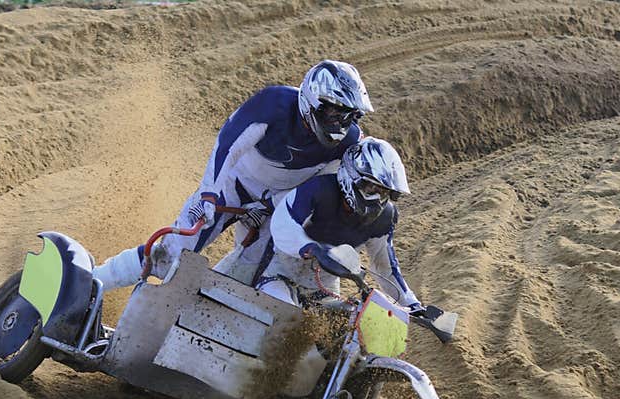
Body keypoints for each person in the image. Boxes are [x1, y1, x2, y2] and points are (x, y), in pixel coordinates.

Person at [92, 60, 375, 289]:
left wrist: (271, 206)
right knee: (170, 254)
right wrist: (208, 194)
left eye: (350, 115)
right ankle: (94, 281)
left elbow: (319, 188)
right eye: (336, 113)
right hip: (229, 187)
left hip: (272, 208)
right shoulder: (274, 104)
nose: (342, 123)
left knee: (250, 279)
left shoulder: (349, 143)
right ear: (314, 102)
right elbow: (227, 146)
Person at [256, 137, 457, 343]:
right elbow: (284, 223)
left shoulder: (384, 218)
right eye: (372, 188)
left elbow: (385, 268)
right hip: (279, 274)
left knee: (341, 336)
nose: (377, 198)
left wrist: (414, 305)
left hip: (323, 287)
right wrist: (313, 248)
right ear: (352, 175)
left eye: (384, 192)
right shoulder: (319, 190)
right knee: (286, 325)